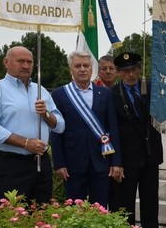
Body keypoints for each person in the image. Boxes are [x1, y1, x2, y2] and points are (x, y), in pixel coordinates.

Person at [0, 45, 65, 206]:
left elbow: (60, 125)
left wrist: (46, 115)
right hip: (11, 165)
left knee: (42, 215)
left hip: (41, 163)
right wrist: (26, 143)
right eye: (20, 61)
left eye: (29, 62)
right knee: (11, 217)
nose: (26, 66)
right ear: (6, 62)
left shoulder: (41, 91)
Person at [110, 51, 166, 228]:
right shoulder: (113, 94)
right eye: (125, 71)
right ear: (119, 73)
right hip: (127, 158)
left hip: (151, 154)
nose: (131, 75)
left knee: (150, 200)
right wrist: (115, 161)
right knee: (125, 202)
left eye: (134, 69)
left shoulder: (151, 87)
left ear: (139, 69)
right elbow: (112, 129)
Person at [51, 51, 123, 209]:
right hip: (72, 162)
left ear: (92, 69)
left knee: (100, 208)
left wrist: (116, 162)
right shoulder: (59, 94)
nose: (82, 69)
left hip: (101, 161)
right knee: (75, 210)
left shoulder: (105, 93)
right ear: (71, 69)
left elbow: (113, 128)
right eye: (78, 66)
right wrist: (59, 163)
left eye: (86, 66)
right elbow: (56, 131)